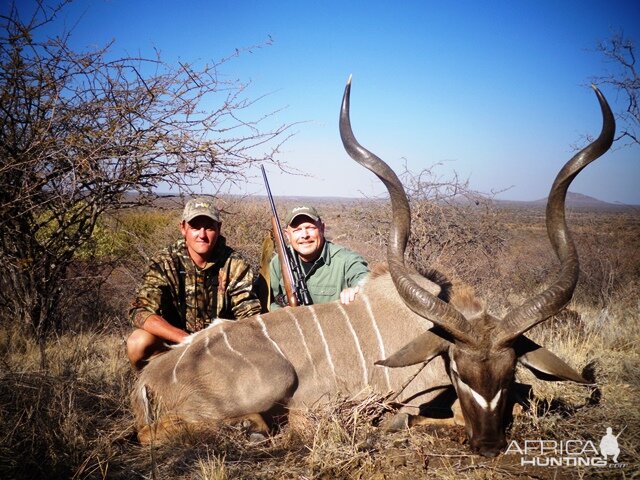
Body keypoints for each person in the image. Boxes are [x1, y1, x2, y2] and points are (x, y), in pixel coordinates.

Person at [127, 198, 261, 369]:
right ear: (183, 228)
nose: (202, 235)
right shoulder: (165, 261)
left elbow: (249, 315)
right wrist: (186, 340)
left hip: (221, 350)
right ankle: (150, 392)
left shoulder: (235, 264)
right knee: (138, 342)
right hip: (175, 348)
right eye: (195, 227)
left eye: (209, 227)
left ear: (219, 228)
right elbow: (141, 310)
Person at [269, 205, 369, 310]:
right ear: (287, 235)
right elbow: (265, 301)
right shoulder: (278, 263)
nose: (304, 235)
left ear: (322, 228)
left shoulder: (347, 260)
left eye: (310, 228)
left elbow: (365, 282)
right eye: (297, 230)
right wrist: (280, 313)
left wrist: (355, 290)